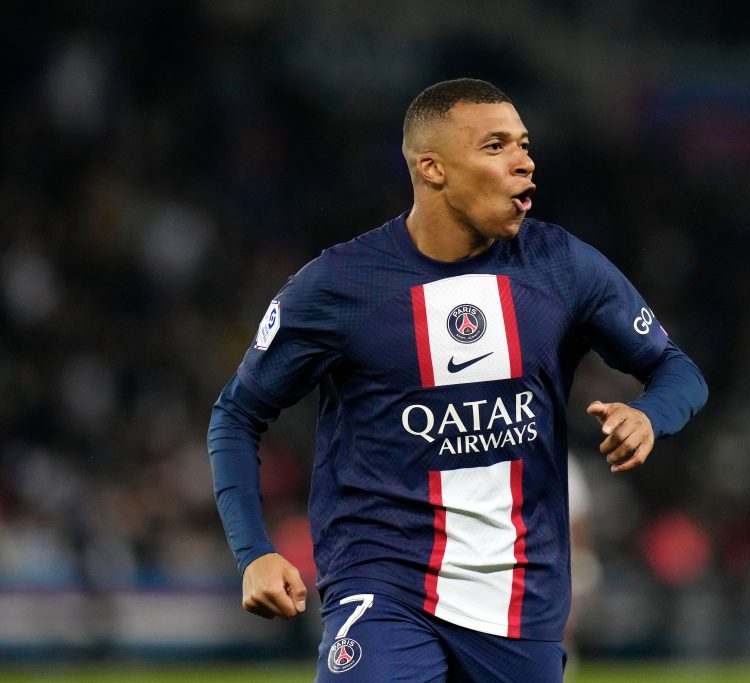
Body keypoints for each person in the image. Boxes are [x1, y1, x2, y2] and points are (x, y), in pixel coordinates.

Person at [208, 77, 708, 682]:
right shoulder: (342, 285)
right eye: (495, 146)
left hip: (521, 599)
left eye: (524, 145)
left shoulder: (562, 267)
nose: (524, 162)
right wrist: (254, 552)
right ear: (433, 168)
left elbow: (677, 369)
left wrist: (651, 414)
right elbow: (237, 414)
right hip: (384, 583)